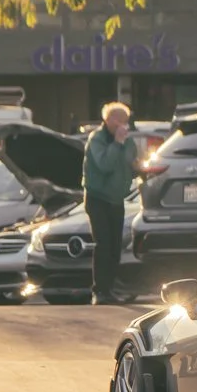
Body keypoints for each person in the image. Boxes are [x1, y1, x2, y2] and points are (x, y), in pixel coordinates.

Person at [84, 101, 141, 303]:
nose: (124, 125)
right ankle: (99, 291)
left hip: (117, 199)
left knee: (116, 245)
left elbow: (132, 164)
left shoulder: (127, 141)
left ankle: (111, 288)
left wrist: (139, 166)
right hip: (98, 198)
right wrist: (117, 143)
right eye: (120, 120)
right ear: (108, 120)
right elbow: (105, 165)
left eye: (126, 121)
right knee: (103, 243)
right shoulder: (97, 139)